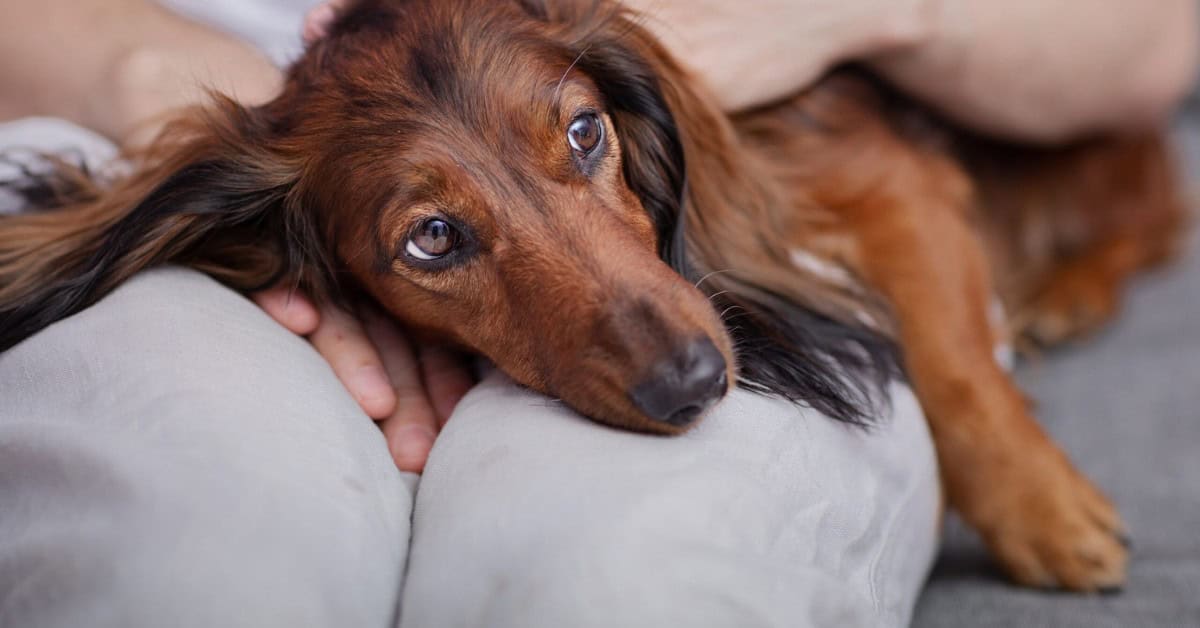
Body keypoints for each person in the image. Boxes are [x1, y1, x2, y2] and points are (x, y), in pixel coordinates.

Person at [0, 2, 1195, 627]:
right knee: (178, 553)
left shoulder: (646, 94)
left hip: (734, 204)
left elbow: (1152, 40)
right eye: (442, 238)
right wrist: (142, 71)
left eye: (582, 141)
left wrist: (849, 8)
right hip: (173, 153)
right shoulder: (233, 185)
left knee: (629, 578)